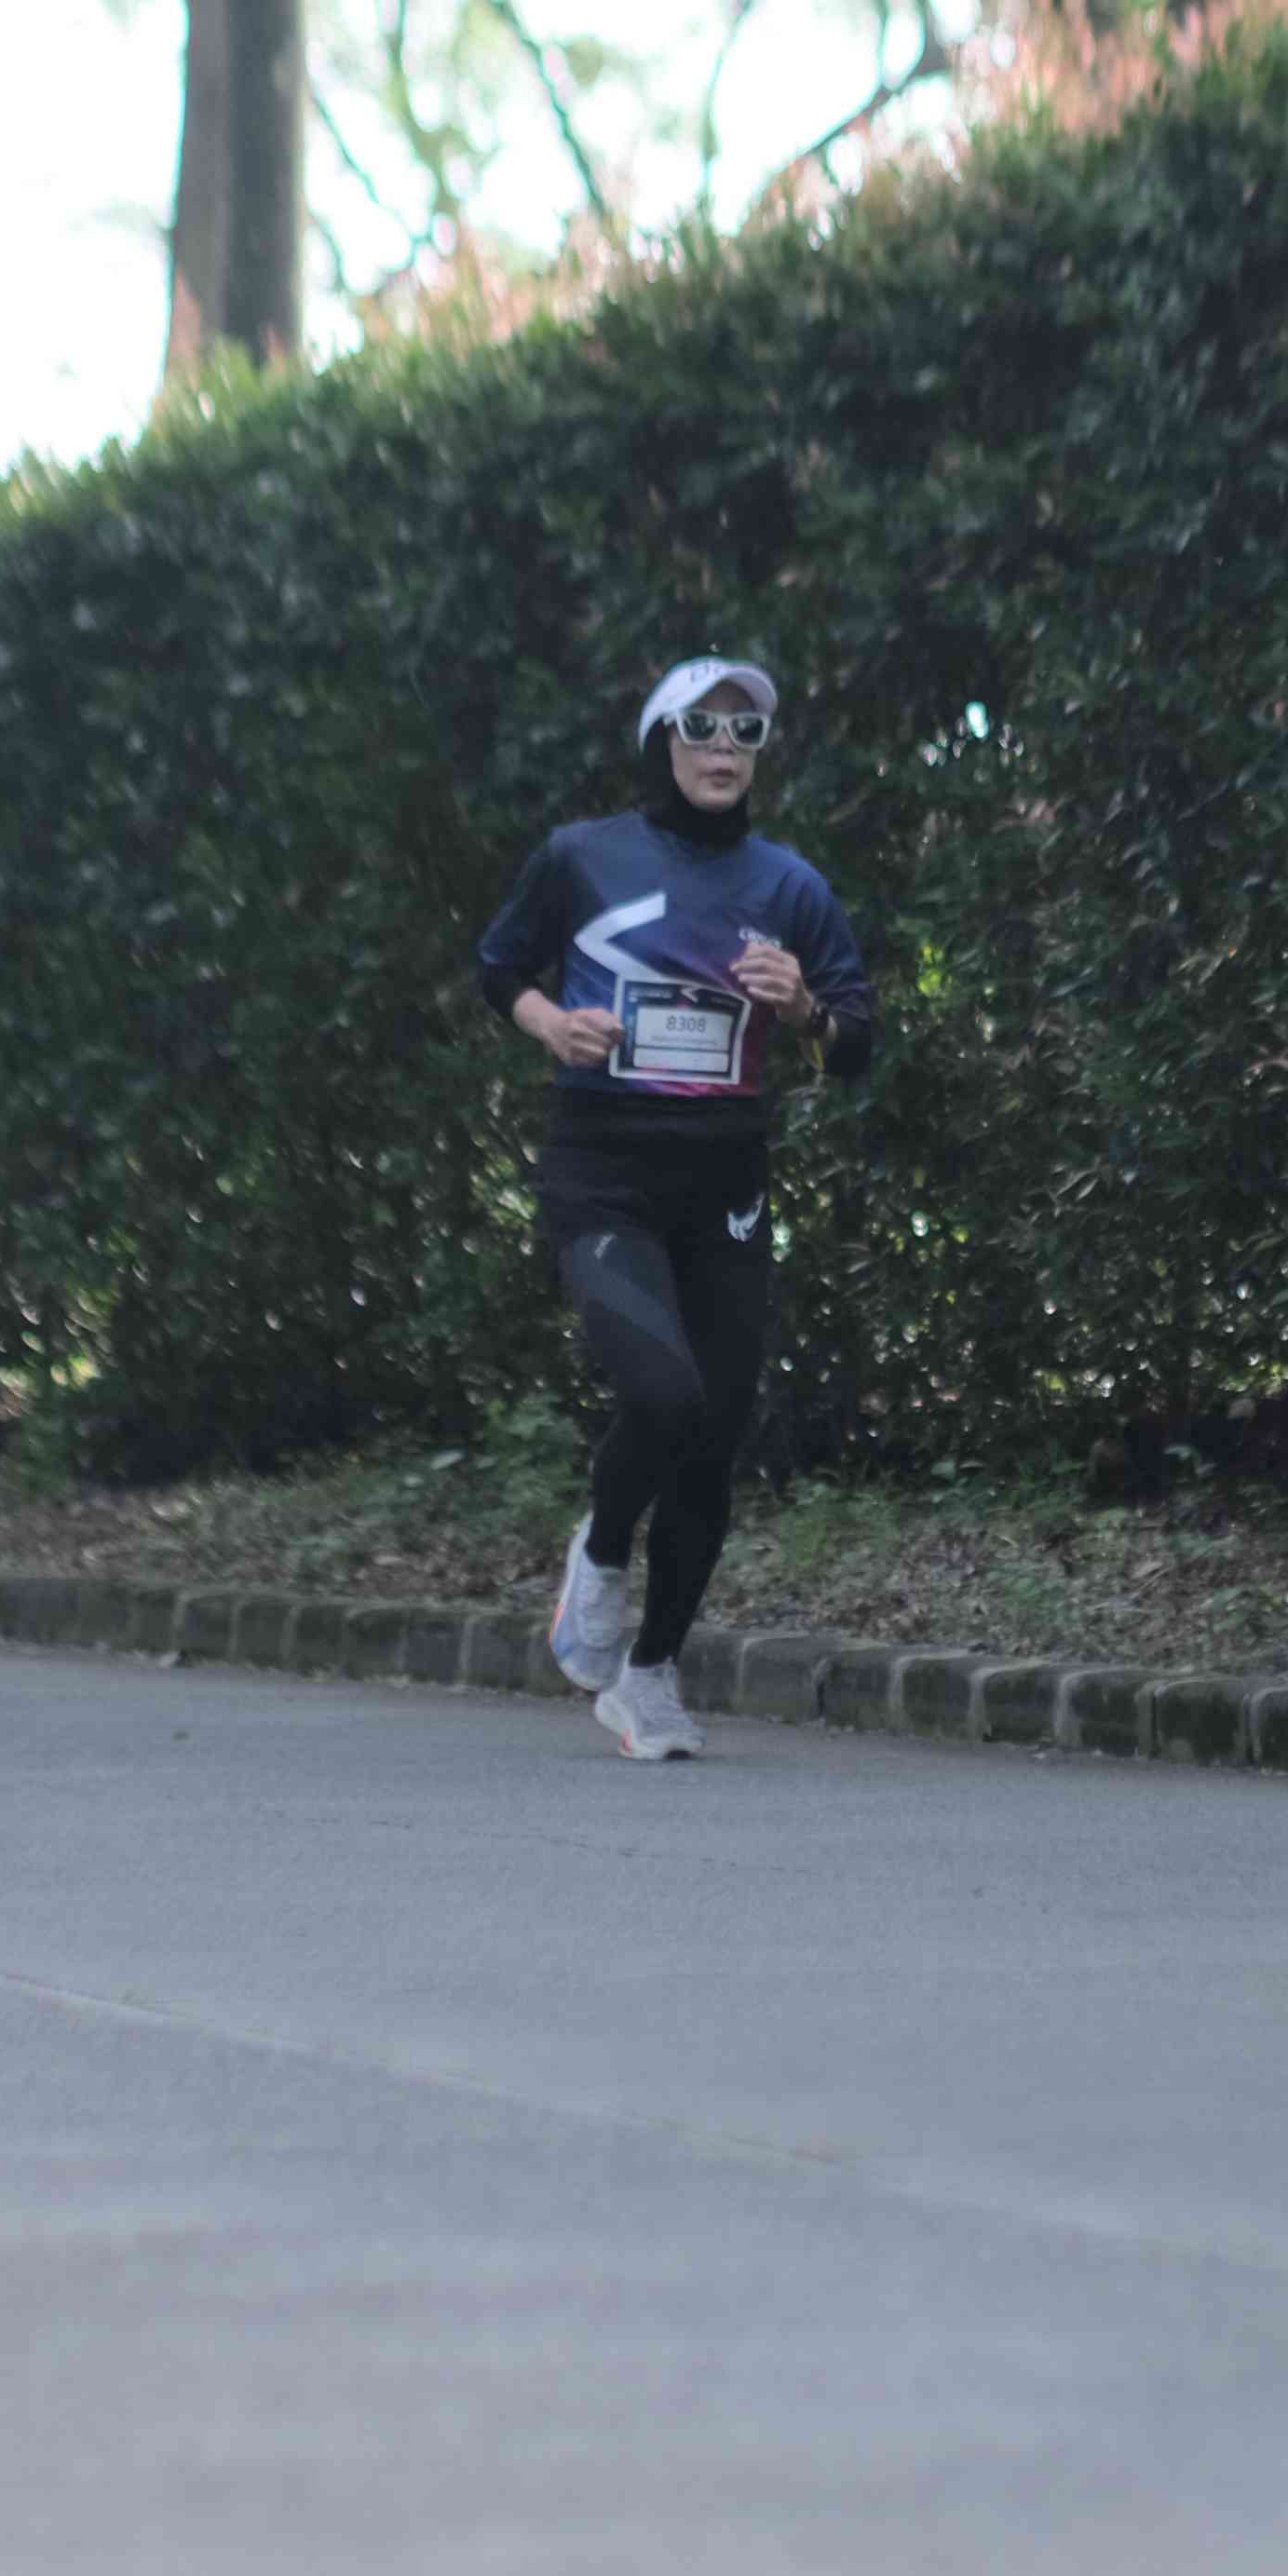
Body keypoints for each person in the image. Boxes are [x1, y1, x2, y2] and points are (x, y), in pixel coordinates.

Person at [472, 655, 874, 1759]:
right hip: (602, 1164)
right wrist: (553, 1026)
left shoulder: (789, 885)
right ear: (660, 742)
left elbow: (855, 1043)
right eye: (701, 727)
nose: (722, 749)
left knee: (716, 1432)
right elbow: (499, 966)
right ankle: (601, 1554)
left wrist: (803, 1008)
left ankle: (648, 1677)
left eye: (745, 733)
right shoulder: (581, 856)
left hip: (725, 1179)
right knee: (660, 1392)